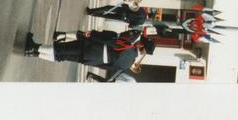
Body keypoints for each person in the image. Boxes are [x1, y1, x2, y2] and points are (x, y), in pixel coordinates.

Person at [24, 28, 155, 78]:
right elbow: (107, 68)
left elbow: (109, 41)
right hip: (94, 60)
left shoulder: (129, 46)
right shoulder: (127, 65)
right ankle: (35, 54)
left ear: (141, 45)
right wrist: (93, 62)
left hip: (92, 49)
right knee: (62, 56)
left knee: (62, 49)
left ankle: (33, 47)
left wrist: (92, 34)